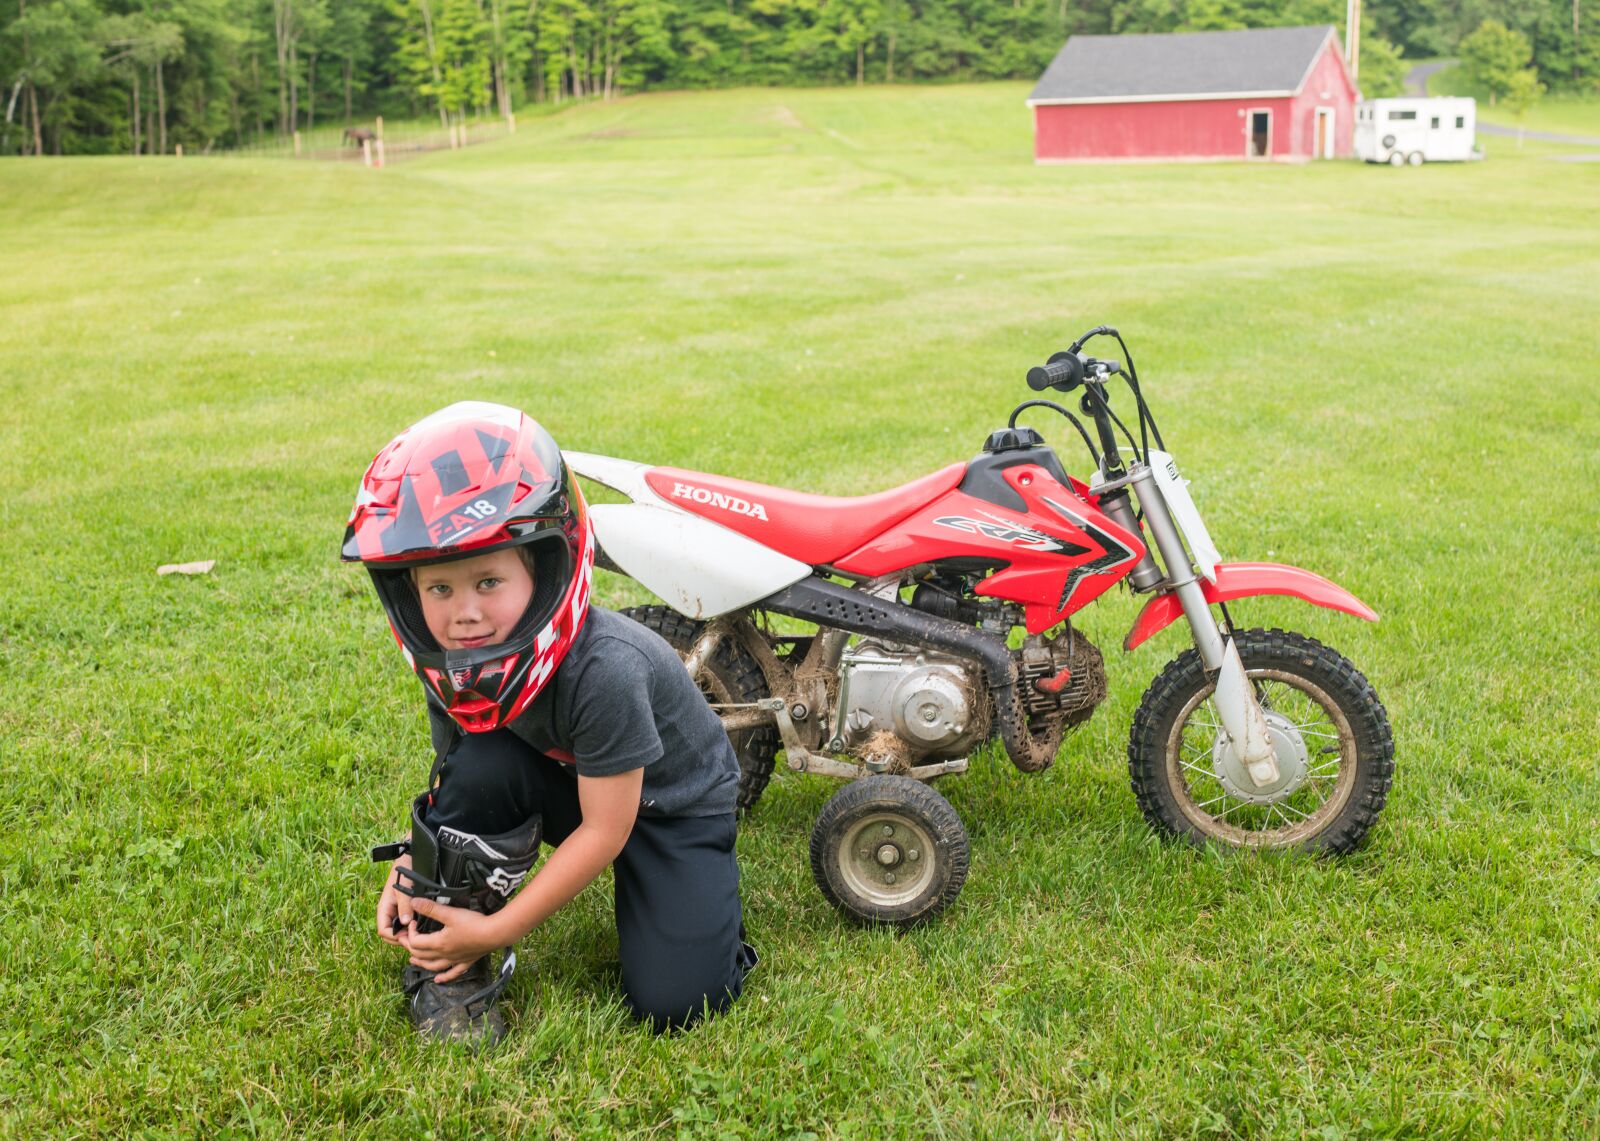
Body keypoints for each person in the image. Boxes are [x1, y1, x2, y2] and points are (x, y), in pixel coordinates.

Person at [342, 400, 755, 1045]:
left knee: (680, 1003)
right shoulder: (451, 663)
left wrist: (502, 928)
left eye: (487, 581)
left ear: (545, 567)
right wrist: (412, 864)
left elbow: (606, 830)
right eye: (440, 588)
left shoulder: (607, 670)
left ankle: (708, 920)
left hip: (669, 807)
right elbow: (455, 785)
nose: (464, 613)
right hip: (573, 782)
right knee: (480, 761)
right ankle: (455, 966)